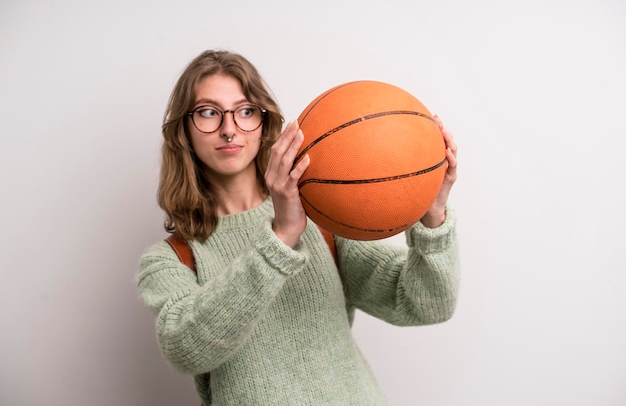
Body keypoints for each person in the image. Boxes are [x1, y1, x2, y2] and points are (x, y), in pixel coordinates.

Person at [137, 49, 459, 406]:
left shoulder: (324, 224)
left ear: (264, 123)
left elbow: (427, 305)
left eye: (245, 111)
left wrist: (432, 215)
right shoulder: (170, 260)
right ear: (184, 129)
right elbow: (187, 348)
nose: (229, 130)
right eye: (209, 113)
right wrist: (280, 236)